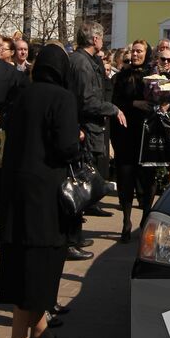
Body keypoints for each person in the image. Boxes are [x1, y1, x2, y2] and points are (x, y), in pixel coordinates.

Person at [0, 44, 80, 338]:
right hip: (45, 197)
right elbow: (66, 147)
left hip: (15, 193)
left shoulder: (22, 95)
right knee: (38, 266)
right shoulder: (62, 98)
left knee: (20, 257)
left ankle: (41, 332)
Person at [68, 22, 127, 229]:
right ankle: (73, 234)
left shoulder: (86, 61)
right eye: (101, 37)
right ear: (94, 39)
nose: (103, 41)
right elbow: (87, 101)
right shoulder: (82, 63)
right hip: (84, 127)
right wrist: (113, 109)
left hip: (87, 126)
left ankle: (78, 225)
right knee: (79, 181)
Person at [110, 40, 156, 242]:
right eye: (134, 51)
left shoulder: (154, 76)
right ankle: (126, 222)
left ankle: (146, 215)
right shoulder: (122, 76)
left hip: (147, 132)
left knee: (148, 177)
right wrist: (134, 103)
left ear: (147, 53)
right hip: (126, 133)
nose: (136, 54)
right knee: (126, 177)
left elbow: (162, 100)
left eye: (140, 51)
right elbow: (115, 102)